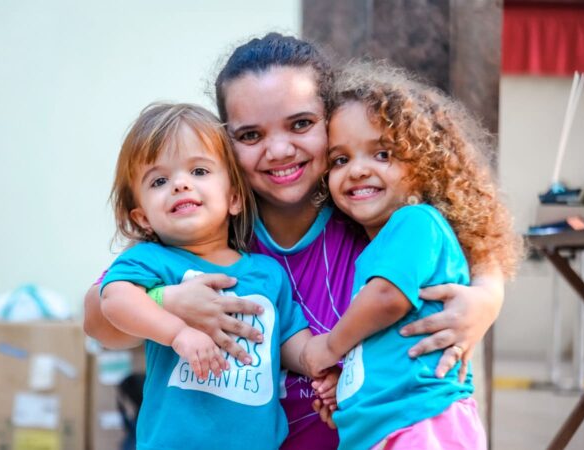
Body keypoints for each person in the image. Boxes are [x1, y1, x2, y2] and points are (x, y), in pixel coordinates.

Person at [84, 33, 509, 449]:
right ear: (226, 146)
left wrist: (487, 299)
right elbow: (100, 320)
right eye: (251, 135)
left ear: (331, 122)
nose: (280, 149)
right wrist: (166, 303)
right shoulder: (206, 226)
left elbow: (473, 243)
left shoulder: (371, 213)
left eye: (301, 124)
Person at [301, 62, 522, 449]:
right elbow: (384, 348)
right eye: (340, 160)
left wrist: (329, 347)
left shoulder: (415, 222)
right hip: (392, 425)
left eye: (382, 154)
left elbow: (388, 299)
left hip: (421, 423)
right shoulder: (377, 246)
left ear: (422, 165)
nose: (357, 170)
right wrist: (349, 388)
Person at [99, 102, 337, 450]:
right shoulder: (151, 261)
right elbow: (114, 300)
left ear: (235, 198)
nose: (180, 185)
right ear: (142, 218)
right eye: (160, 180)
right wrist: (177, 332)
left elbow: (292, 343)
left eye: (199, 171)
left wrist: (324, 369)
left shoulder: (268, 272)